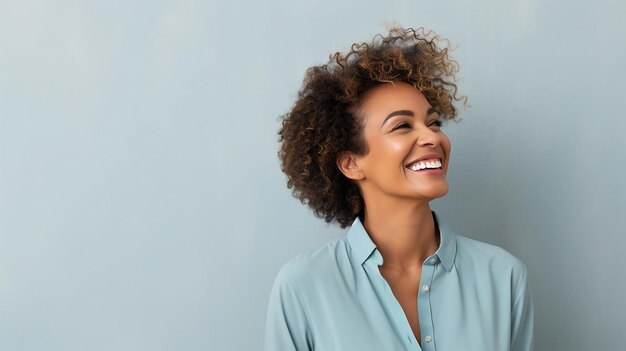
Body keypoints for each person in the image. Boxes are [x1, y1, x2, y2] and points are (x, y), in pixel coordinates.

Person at [265, 27, 534, 351]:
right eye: (402, 126)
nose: (433, 137)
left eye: (433, 123)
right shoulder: (304, 286)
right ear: (351, 163)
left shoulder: (503, 278)